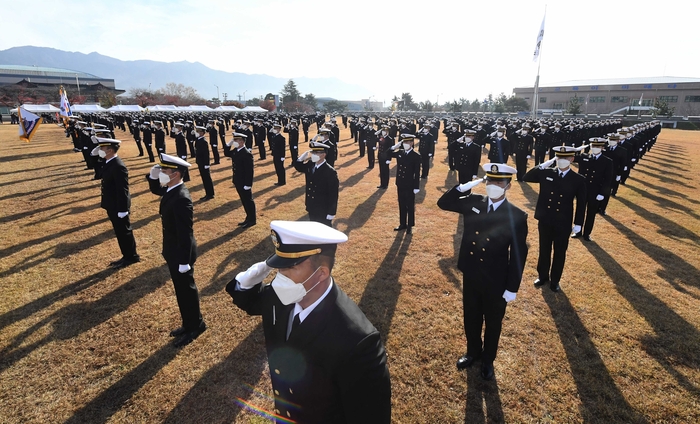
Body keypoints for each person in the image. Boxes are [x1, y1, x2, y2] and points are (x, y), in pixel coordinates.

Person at [225, 220, 391, 423]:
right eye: (279, 268)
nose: (280, 278)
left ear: (321, 273)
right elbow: (250, 302)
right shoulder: (282, 297)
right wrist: (247, 279)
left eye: (290, 268)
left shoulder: (358, 342)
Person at [437, 163, 528, 380]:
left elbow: (517, 254)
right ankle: (472, 352)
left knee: (493, 321)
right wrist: (462, 187)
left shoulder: (516, 215)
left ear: (508, 186)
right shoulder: (474, 202)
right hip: (472, 272)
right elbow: (444, 203)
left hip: (496, 279)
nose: (493, 185)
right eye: (490, 181)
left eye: (499, 182)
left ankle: (488, 359)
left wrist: (512, 287)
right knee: (472, 316)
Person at [146, 154, 206, 347]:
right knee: (181, 291)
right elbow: (157, 189)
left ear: (176, 174)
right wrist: (153, 175)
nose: (162, 173)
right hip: (173, 251)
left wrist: (184, 261)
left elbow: (185, 233)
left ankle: (196, 325)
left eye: (165, 171)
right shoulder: (172, 189)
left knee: (186, 291)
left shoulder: (181, 198)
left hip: (181, 254)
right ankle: (188, 324)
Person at [524, 145, 586, 292]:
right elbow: (527, 177)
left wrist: (578, 224)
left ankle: (555, 280)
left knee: (559, 252)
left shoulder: (578, 179)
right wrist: (545, 163)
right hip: (545, 219)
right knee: (544, 249)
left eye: (565, 158)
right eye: (559, 157)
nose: (562, 160)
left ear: (572, 159)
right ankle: (542, 275)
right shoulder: (546, 173)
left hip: (563, 221)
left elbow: (582, 204)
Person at [95, 137, 140, 268]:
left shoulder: (118, 166)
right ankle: (126, 255)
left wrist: (123, 209)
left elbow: (122, 189)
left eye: (102, 148)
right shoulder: (109, 162)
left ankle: (131, 256)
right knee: (119, 232)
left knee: (124, 231)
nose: (100, 150)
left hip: (118, 205)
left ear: (109, 150)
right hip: (112, 204)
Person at [571, 138, 613, 241]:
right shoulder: (584, 157)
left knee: (591, 212)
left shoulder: (607, 161)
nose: (595, 148)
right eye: (593, 146)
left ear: (603, 148)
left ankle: (587, 233)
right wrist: (577, 148)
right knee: (580, 210)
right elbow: (571, 157)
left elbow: (608, 180)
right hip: (582, 189)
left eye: (598, 146)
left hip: (595, 191)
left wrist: (603, 193)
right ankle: (578, 230)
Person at [293, 140, 339, 227]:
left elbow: (333, 194)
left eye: (316, 153)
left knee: (324, 230)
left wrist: (331, 212)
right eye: (313, 152)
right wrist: (300, 159)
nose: (313, 155)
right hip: (311, 204)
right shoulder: (311, 164)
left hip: (323, 207)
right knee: (313, 227)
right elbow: (299, 168)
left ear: (323, 154)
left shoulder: (330, 172)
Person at [389, 134, 421, 234]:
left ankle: (410, 225)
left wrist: (416, 186)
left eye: (407, 142)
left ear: (412, 143)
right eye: (404, 142)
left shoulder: (416, 156)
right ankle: (402, 224)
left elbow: (417, 173)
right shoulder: (400, 153)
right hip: (400, 183)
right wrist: (394, 147)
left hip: (410, 184)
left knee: (410, 205)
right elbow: (386, 154)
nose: (405, 144)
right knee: (401, 204)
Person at [223, 132, 256, 228]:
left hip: (244, 182)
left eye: (236, 140)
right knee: (244, 200)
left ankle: (252, 220)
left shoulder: (246, 154)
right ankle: (248, 217)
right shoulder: (236, 151)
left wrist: (248, 184)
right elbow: (226, 153)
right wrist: (229, 144)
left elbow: (249, 171)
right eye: (234, 140)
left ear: (242, 141)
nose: (235, 142)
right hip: (238, 180)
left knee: (248, 201)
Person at [193, 125, 215, 201]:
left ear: (202, 133)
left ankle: (210, 194)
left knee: (207, 179)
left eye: (198, 131)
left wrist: (207, 164)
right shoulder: (198, 139)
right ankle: (207, 193)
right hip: (200, 162)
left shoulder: (203, 141)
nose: (197, 133)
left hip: (204, 163)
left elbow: (206, 154)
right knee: (204, 179)